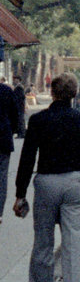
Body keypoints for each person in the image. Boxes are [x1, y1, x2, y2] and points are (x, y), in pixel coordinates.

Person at [12, 73, 80, 282]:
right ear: (75, 93)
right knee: (73, 244)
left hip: (45, 182)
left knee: (43, 241)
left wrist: (20, 194)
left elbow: (27, 159)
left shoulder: (39, 120)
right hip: (74, 182)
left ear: (52, 92)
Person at [0, 76, 20, 222]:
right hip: (2, 140)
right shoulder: (6, 91)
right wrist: (10, 130)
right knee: (1, 177)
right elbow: (15, 115)